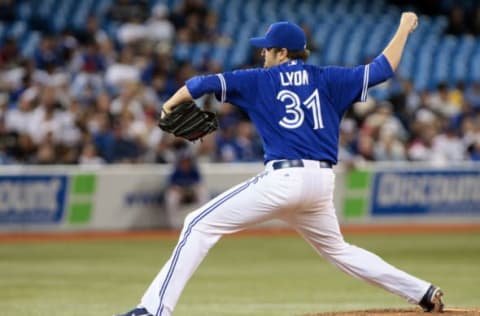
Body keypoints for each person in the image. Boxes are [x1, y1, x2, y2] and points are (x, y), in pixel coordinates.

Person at [117, 13, 444, 316]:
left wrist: (168, 105)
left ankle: (153, 310)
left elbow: (202, 83)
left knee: (197, 224)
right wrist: (404, 27)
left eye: (268, 50)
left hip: (284, 179)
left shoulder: (258, 80)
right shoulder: (330, 78)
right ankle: (422, 292)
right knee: (340, 251)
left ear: (283, 53)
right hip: (320, 184)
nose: (263, 54)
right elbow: (382, 69)